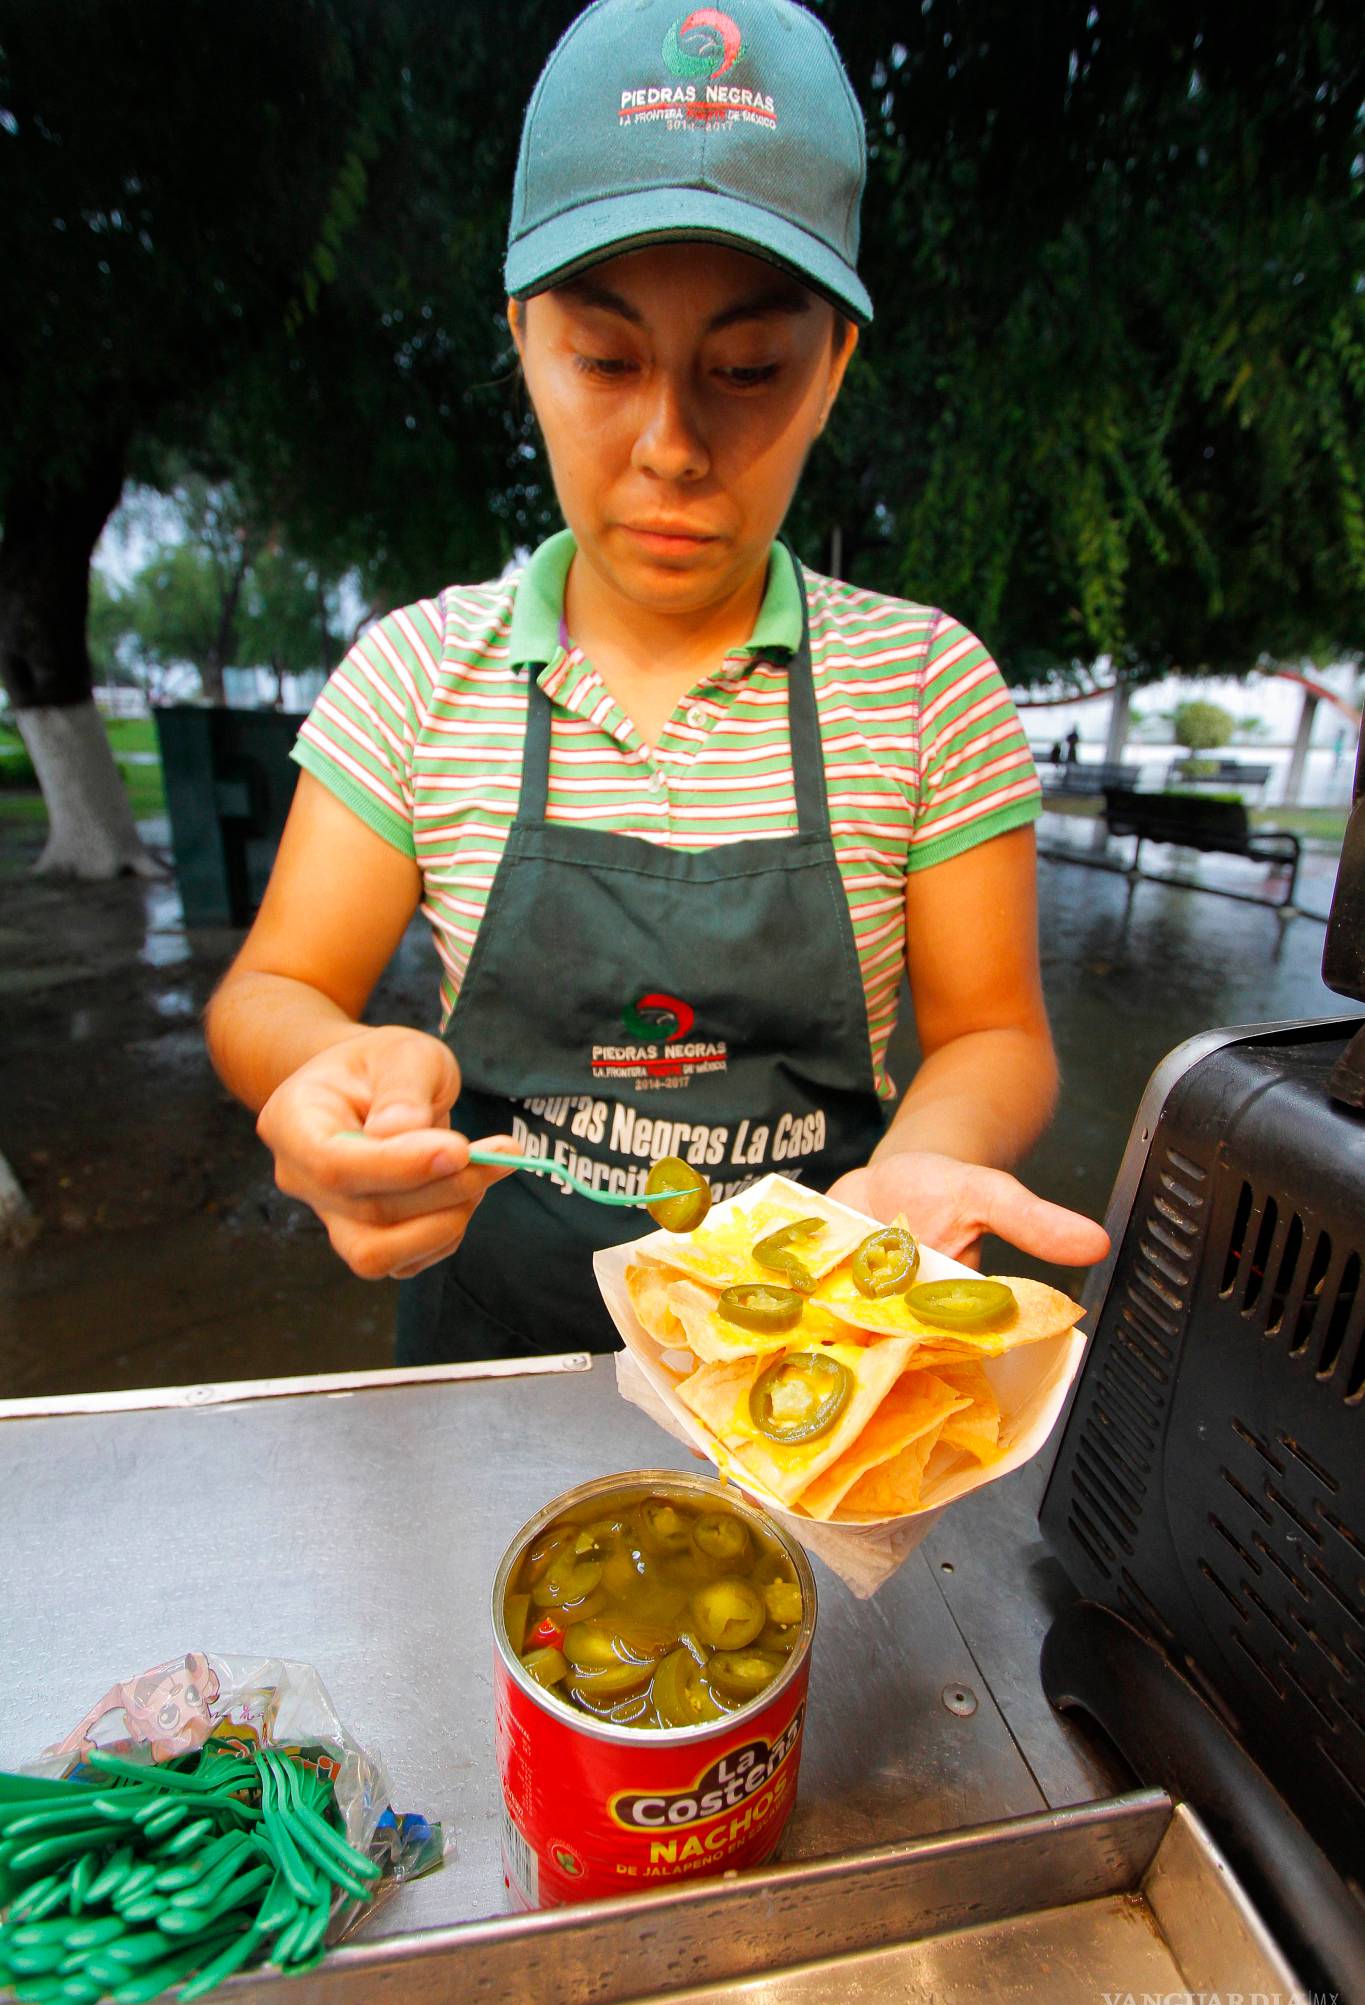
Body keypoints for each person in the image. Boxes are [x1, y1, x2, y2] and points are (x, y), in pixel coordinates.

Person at [205, 0, 1109, 1364]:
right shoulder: (414, 673)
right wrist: (321, 1070)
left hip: (803, 1340)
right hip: (491, 1342)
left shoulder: (927, 686)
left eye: (747, 368)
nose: (672, 447)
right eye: (606, 361)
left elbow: (991, 1032)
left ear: (832, 369)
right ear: (521, 338)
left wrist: (913, 1174)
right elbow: (271, 985)